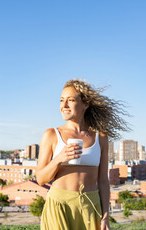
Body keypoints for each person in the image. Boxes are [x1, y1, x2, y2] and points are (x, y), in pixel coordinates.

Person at [36, 79, 130, 230]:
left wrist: (105, 216)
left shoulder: (101, 137)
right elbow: (40, 179)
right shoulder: (52, 134)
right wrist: (59, 158)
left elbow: (103, 181)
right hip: (59, 206)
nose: (64, 106)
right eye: (61, 100)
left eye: (71, 100)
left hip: (91, 206)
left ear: (86, 104)